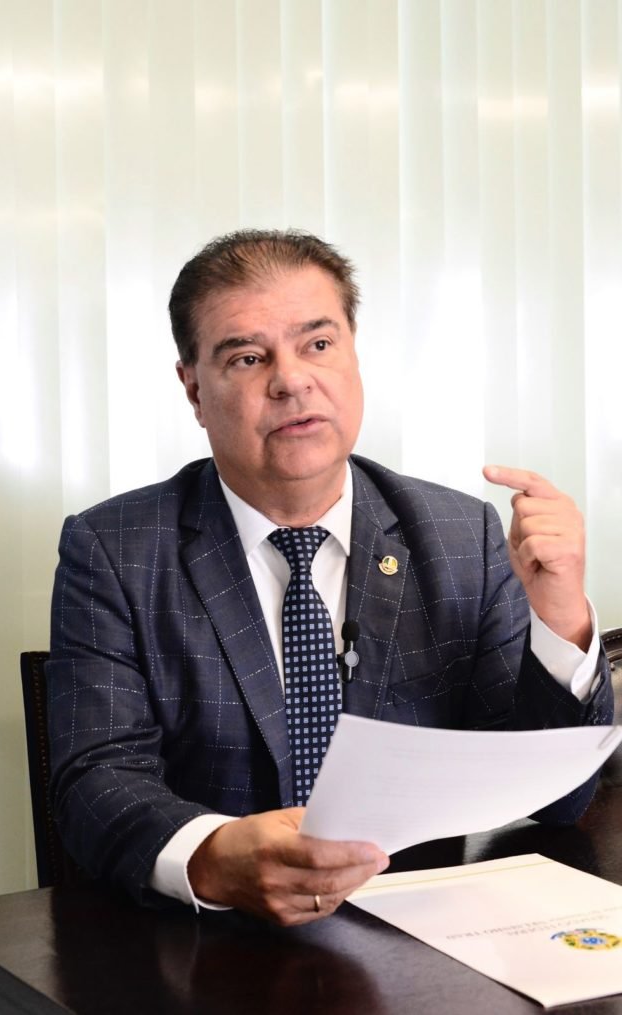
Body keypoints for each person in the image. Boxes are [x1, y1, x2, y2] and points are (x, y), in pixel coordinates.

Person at [47, 229, 613, 927]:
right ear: (193, 388)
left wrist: (559, 615)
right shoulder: (115, 549)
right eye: (248, 357)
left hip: (420, 940)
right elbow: (95, 780)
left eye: (317, 344)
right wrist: (213, 856)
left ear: (353, 356)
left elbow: (554, 800)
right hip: (210, 941)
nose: (291, 380)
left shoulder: (459, 534)